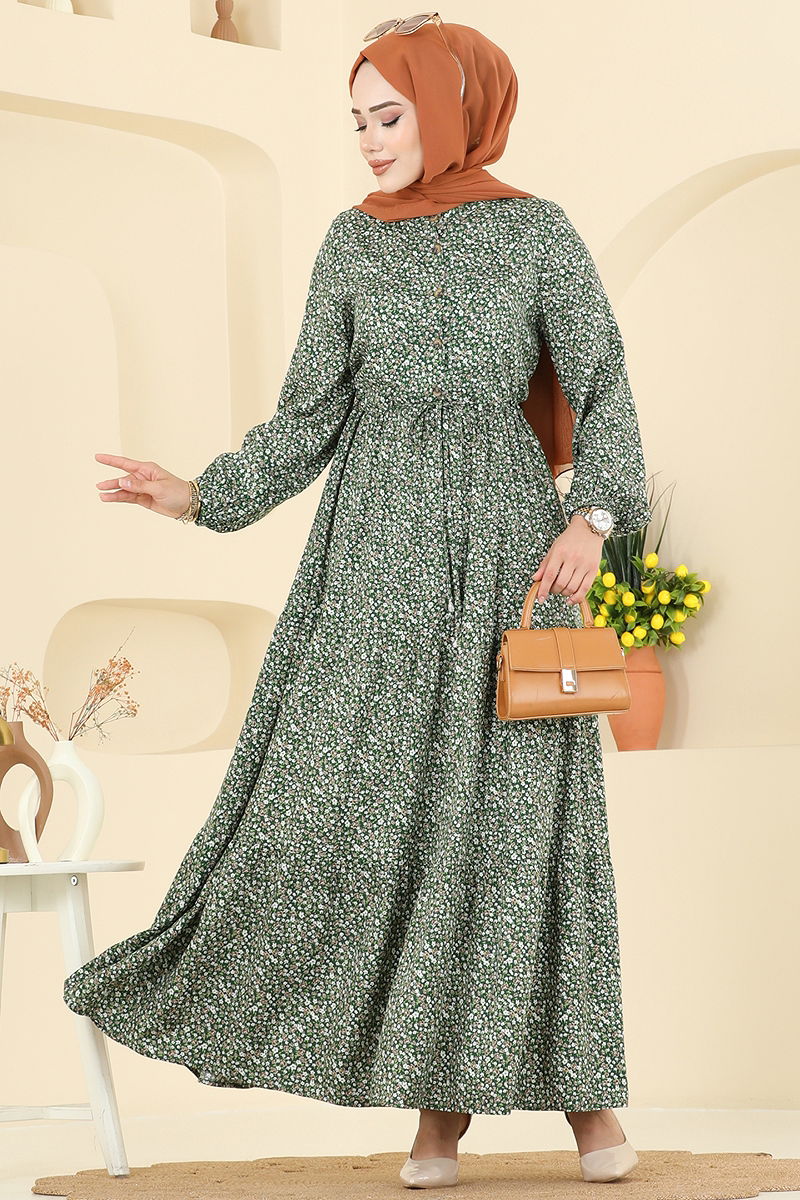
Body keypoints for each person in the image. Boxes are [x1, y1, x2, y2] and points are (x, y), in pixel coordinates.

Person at [63, 14, 650, 1190]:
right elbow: (310, 414)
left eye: (391, 116)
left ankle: (587, 1107)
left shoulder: (535, 232)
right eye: (358, 121)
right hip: (371, 561)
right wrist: (198, 494)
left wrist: (589, 519)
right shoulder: (352, 242)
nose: (371, 140)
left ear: (453, 110)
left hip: (506, 558)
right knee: (364, 810)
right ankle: (434, 1114)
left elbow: (600, 381)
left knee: (517, 822)